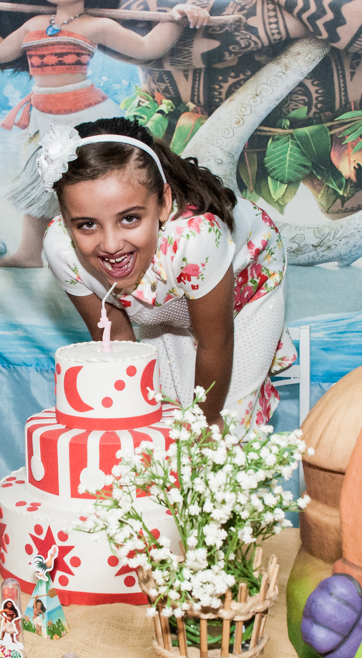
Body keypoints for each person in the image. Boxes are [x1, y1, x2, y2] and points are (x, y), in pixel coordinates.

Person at [43, 117, 296, 432]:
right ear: (65, 220)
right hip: (171, 287)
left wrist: (206, 425)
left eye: (130, 219)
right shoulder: (62, 250)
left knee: (225, 424)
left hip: (245, 276)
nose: (110, 245)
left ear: (163, 203)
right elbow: (120, 342)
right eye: (87, 224)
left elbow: (215, 342)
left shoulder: (196, 238)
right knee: (160, 408)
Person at [0, 0, 208, 267]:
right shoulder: (34, 24)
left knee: (98, 184)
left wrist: (178, 18)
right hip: (47, 120)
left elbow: (148, 48)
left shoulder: (97, 25)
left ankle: (114, 250)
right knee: (41, 183)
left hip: (88, 116)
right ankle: (29, 254)